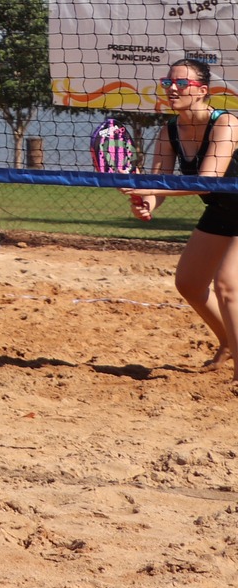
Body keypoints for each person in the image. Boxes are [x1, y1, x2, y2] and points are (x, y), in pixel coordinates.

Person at [119, 57, 238, 379]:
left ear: (202, 90)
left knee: (227, 286)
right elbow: (159, 184)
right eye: (168, 82)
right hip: (222, 210)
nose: (172, 88)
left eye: (181, 83)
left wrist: (149, 190)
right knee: (189, 283)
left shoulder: (227, 123)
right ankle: (228, 342)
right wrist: (145, 202)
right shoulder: (168, 130)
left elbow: (207, 179)